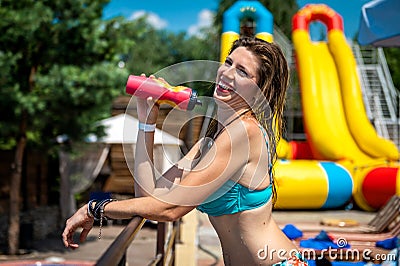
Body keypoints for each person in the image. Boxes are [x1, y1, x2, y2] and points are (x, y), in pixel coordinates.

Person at [62, 36, 307, 265]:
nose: (227, 74)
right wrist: (147, 120)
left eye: (242, 71)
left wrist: (96, 208)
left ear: (259, 92)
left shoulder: (244, 133)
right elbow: (150, 196)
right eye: (228, 63)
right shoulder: (208, 143)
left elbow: (170, 210)